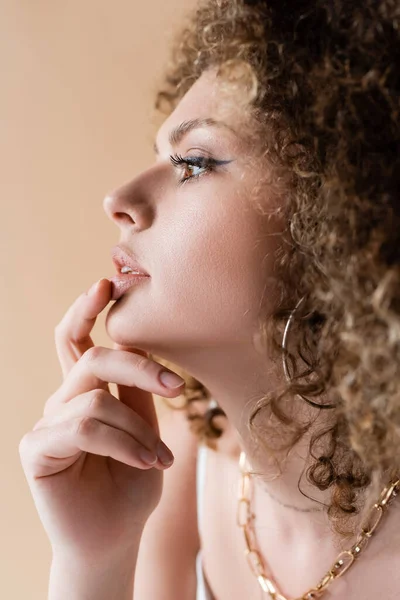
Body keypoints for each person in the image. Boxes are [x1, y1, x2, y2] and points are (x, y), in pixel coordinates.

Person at [19, 0, 400, 599]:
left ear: (336, 220)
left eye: (193, 163)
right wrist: (93, 559)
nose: (118, 199)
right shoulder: (172, 469)